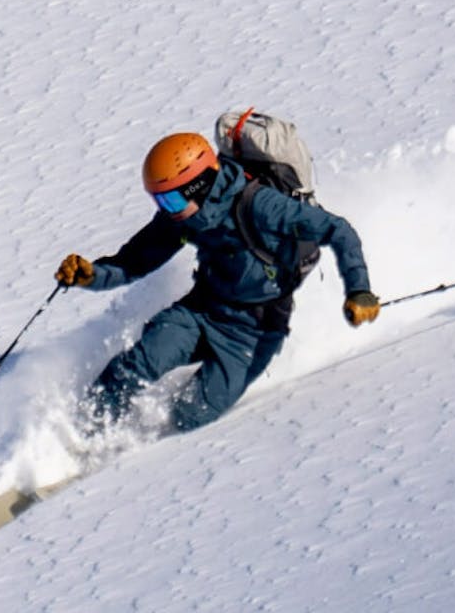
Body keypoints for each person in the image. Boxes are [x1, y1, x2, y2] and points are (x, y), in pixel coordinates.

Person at [56, 130, 379, 434]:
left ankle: (146, 443)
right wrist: (93, 275)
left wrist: (359, 289)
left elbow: (339, 230)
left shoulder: (261, 206)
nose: (167, 211)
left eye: (171, 201)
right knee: (139, 363)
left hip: (253, 334)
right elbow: (135, 262)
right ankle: (83, 432)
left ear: (200, 185)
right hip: (201, 310)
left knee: (190, 415)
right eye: (160, 202)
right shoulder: (183, 218)